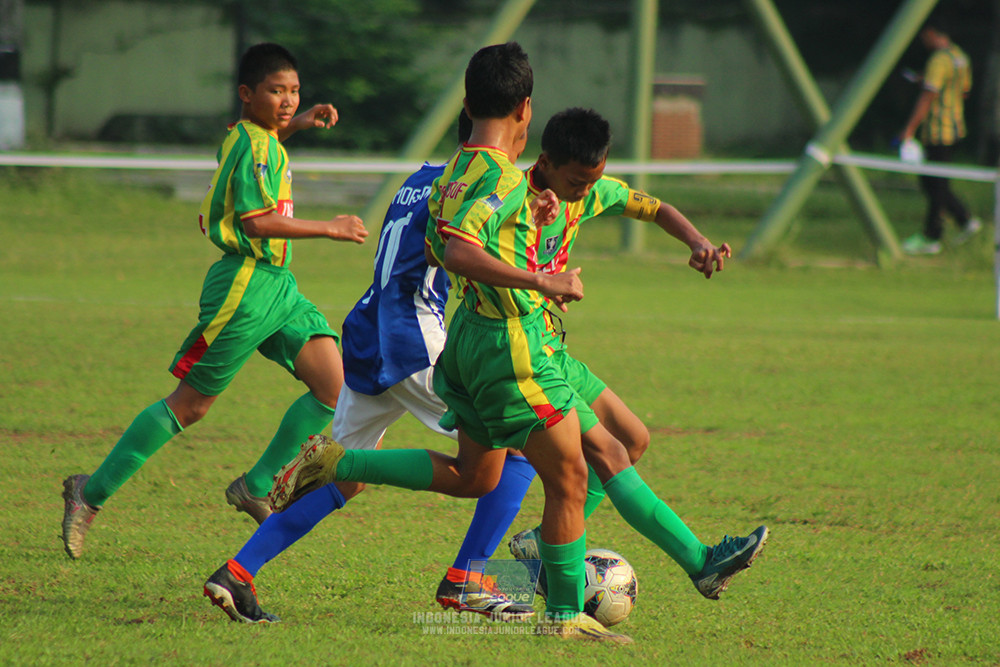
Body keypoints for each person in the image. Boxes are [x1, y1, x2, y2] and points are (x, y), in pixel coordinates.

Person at [203, 110, 540, 623]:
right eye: (518, 139)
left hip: (366, 329)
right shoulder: (466, 184)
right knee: (518, 447)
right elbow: (464, 254)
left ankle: (237, 572)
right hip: (412, 338)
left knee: (340, 480)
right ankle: (468, 580)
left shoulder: (420, 178)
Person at [59, 42, 368, 560]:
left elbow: (266, 140)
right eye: (276, 91)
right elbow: (256, 222)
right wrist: (329, 227)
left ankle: (256, 484)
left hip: (278, 287)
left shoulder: (257, 136)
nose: (288, 100)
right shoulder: (254, 145)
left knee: (335, 388)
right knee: (191, 405)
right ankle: (88, 496)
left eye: (294, 91)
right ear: (248, 94)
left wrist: (299, 122)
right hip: (244, 287)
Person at [900, 22, 980, 255]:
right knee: (936, 182)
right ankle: (963, 221)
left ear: (931, 33)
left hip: (937, 130)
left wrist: (909, 128)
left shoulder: (938, 60)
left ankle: (933, 235)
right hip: (956, 127)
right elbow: (964, 91)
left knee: (934, 185)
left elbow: (928, 95)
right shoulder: (960, 57)